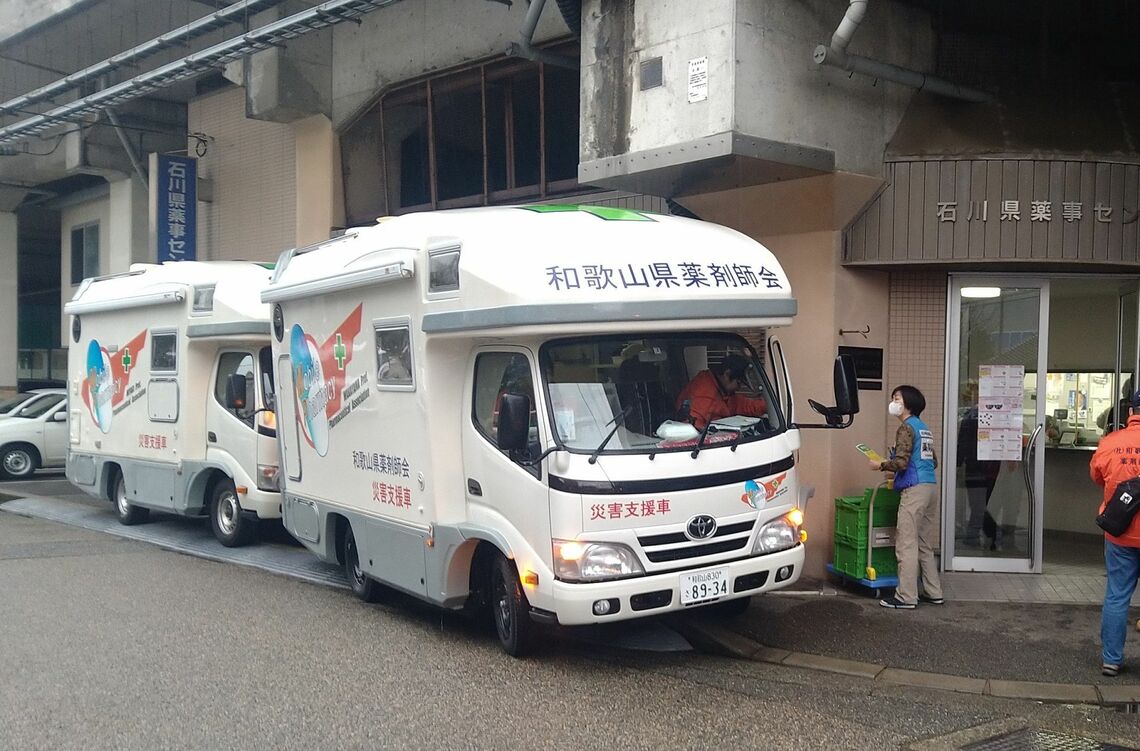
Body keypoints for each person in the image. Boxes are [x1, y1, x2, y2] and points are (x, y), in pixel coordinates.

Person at [870, 384, 944, 609]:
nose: (893, 401)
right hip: (930, 487)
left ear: (908, 404)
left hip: (914, 490)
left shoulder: (906, 429)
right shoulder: (924, 428)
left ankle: (906, 596)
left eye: (897, 398)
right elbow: (934, 462)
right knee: (923, 543)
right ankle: (934, 592)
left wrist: (880, 464)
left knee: (906, 543)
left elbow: (901, 462)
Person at [1088, 388, 1140, 678]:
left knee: (1118, 595)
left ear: (1131, 412)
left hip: (1120, 533)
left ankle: (1111, 659)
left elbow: (1097, 475)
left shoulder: (1111, 442)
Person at [956, 383, 999, 549]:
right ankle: (989, 534)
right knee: (980, 504)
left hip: (976, 466)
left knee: (978, 504)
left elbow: (963, 443)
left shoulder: (971, 416)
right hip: (991, 467)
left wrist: (957, 463)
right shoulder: (992, 415)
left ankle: (987, 534)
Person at [674, 354, 766, 430]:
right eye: (738, 383)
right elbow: (693, 427)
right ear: (727, 374)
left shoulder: (724, 391)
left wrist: (767, 406)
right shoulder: (705, 393)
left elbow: (744, 405)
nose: (739, 388)